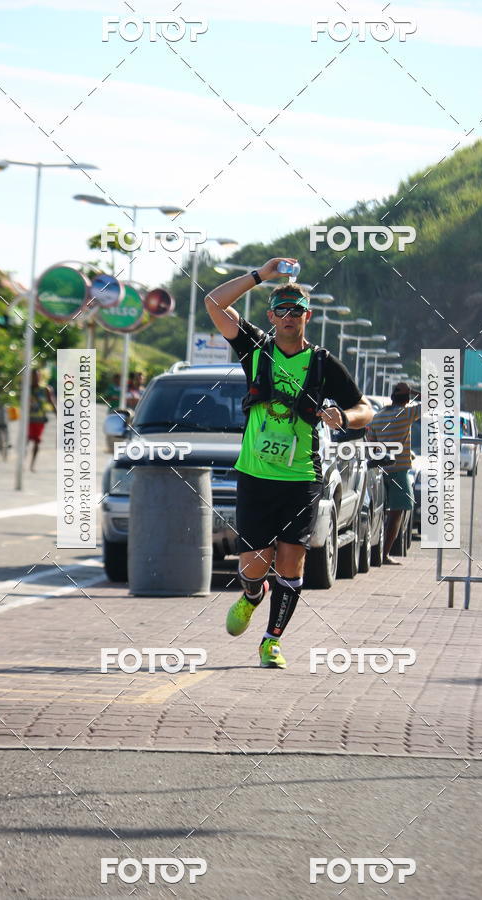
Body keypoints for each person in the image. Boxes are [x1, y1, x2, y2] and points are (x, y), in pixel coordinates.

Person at [205, 258, 373, 669]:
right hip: (256, 474)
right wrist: (262, 275)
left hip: (302, 477)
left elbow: (364, 408)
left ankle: (271, 641)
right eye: (281, 310)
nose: (288, 317)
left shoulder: (321, 363)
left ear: (306, 316)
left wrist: (345, 418)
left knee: (292, 559)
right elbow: (213, 302)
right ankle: (250, 595)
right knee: (254, 567)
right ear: (271, 316)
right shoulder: (256, 349)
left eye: (296, 310)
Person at [367, 382, 420, 565]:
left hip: (380, 470)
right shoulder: (406, 414)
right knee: (397, 513)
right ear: (407, 399)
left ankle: (376, 550)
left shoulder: (377, 417)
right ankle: (384, 554)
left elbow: (371, 443)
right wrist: (414, 392)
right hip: (399, 470)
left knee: (380, 512)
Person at [28, 368, 56, 472]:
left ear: (40, 377)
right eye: (33, 376)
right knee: (25, 441)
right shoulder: (26, 389)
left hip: (39, 420)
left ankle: (32, 465)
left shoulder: (45, 390)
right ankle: (22, 463)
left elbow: (51, 403)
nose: (35, 378)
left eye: (37, 376)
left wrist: (58, 415)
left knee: (36, 442)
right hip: (27, 419)